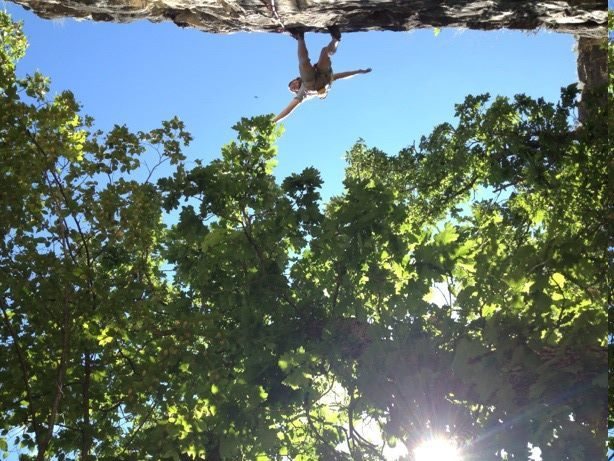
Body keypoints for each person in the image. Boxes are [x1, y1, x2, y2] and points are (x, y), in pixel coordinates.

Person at [273, 26, 372, 123]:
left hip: (323, 75)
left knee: (323, 52)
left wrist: (359, 71)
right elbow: (289, 109)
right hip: (315, 85)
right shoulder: (302, 94)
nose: (293, 87)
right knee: (304, 65)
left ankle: (335, 39)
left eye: (292, 84)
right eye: (293, 89)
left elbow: (341, 75)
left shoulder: (304, 79)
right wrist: (274, 121)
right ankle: (300, 37)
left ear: (295, 79)